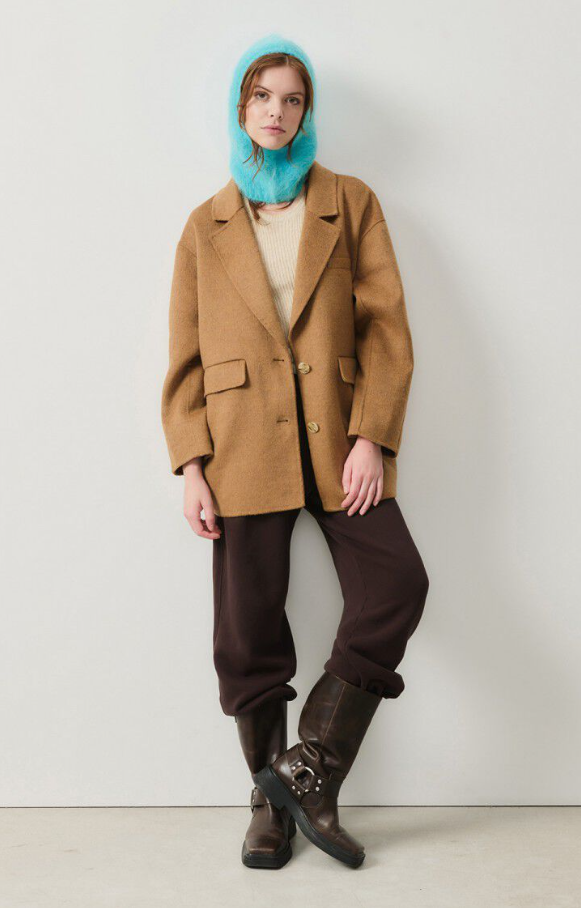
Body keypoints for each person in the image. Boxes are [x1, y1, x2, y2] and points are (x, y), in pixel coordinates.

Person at [161, 33, 430, 871]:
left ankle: (305, 768)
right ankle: (267, 804)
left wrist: (370, 435)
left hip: (337, 436)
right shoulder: (205, 225)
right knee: (246, 634)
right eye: (261, 96)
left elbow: (386, 328)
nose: (275, 111)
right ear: (239, 107)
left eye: (291, 99)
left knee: (396, 582)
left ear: (306, 112)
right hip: (240, 442)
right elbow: (185, 357)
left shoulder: (349, 201)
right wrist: (192, 465)